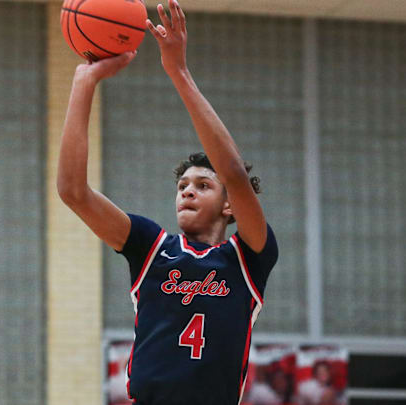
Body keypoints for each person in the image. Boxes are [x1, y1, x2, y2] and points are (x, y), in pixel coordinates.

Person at [56, 1, 279, 404]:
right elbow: (73, 191)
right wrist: (83, 84)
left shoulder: (249, 257)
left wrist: (178, 71)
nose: (187, 191)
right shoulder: (152, 249)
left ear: (229, 206)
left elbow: (232, 171)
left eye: (202, 186)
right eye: (182, 186)